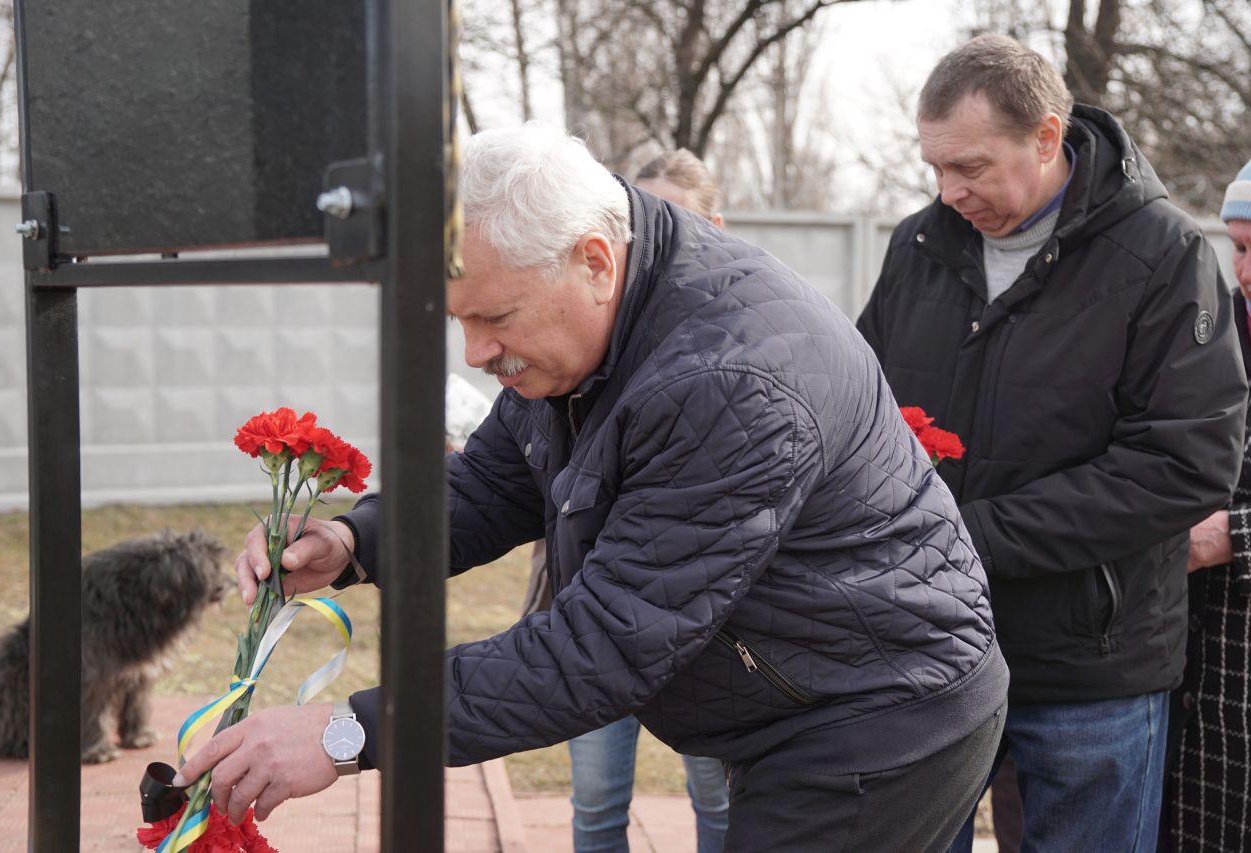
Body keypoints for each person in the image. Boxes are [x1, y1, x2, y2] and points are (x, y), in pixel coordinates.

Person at [178, 122, 1009, 851]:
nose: (474, 352)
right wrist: (356, 540)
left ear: (596, 262)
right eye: (460, 318)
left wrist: (348, 729)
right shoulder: (587, 331)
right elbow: (495, 478)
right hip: (801, 692)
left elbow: (605, 643)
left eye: (494, 318)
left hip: (877, 717)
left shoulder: (726, 380)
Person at [855, 35, 1247, 853]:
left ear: (1045, 137)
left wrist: (967, 535)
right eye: (936, 167)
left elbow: (1184, 466)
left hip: (1091, 674)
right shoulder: (917, 248)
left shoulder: (1164, 258)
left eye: (970, 166)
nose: (949, 191)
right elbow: (860, 416)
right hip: (929, 652)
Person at [557, 147, 730, 853]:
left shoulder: (734, 348)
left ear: (714, 227)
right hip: (595, 614)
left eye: (674, 219)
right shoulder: (589, 340)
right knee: (597, 801)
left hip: (706, 627)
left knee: (718, 797)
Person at [1164, 158, 1251, 851]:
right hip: (1199, 681)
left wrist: (1233, 535)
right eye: (1240, 247)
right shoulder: (1211, 336)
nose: (1245, 271)